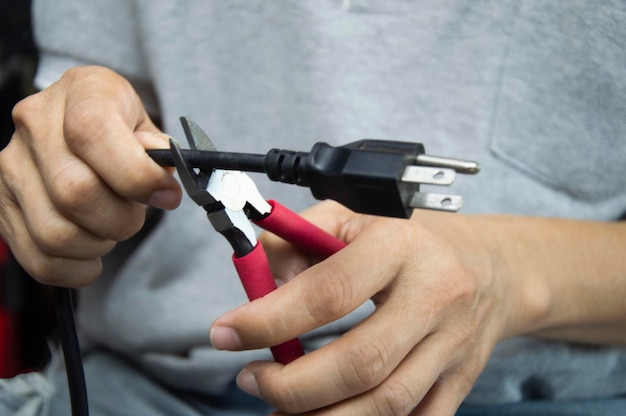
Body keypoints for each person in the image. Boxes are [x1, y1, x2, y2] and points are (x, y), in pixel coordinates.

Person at [1, 1, 625, 415]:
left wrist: (505, 273)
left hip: (525, 393)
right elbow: (107, 112)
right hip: (136, 387)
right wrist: (73, 155)